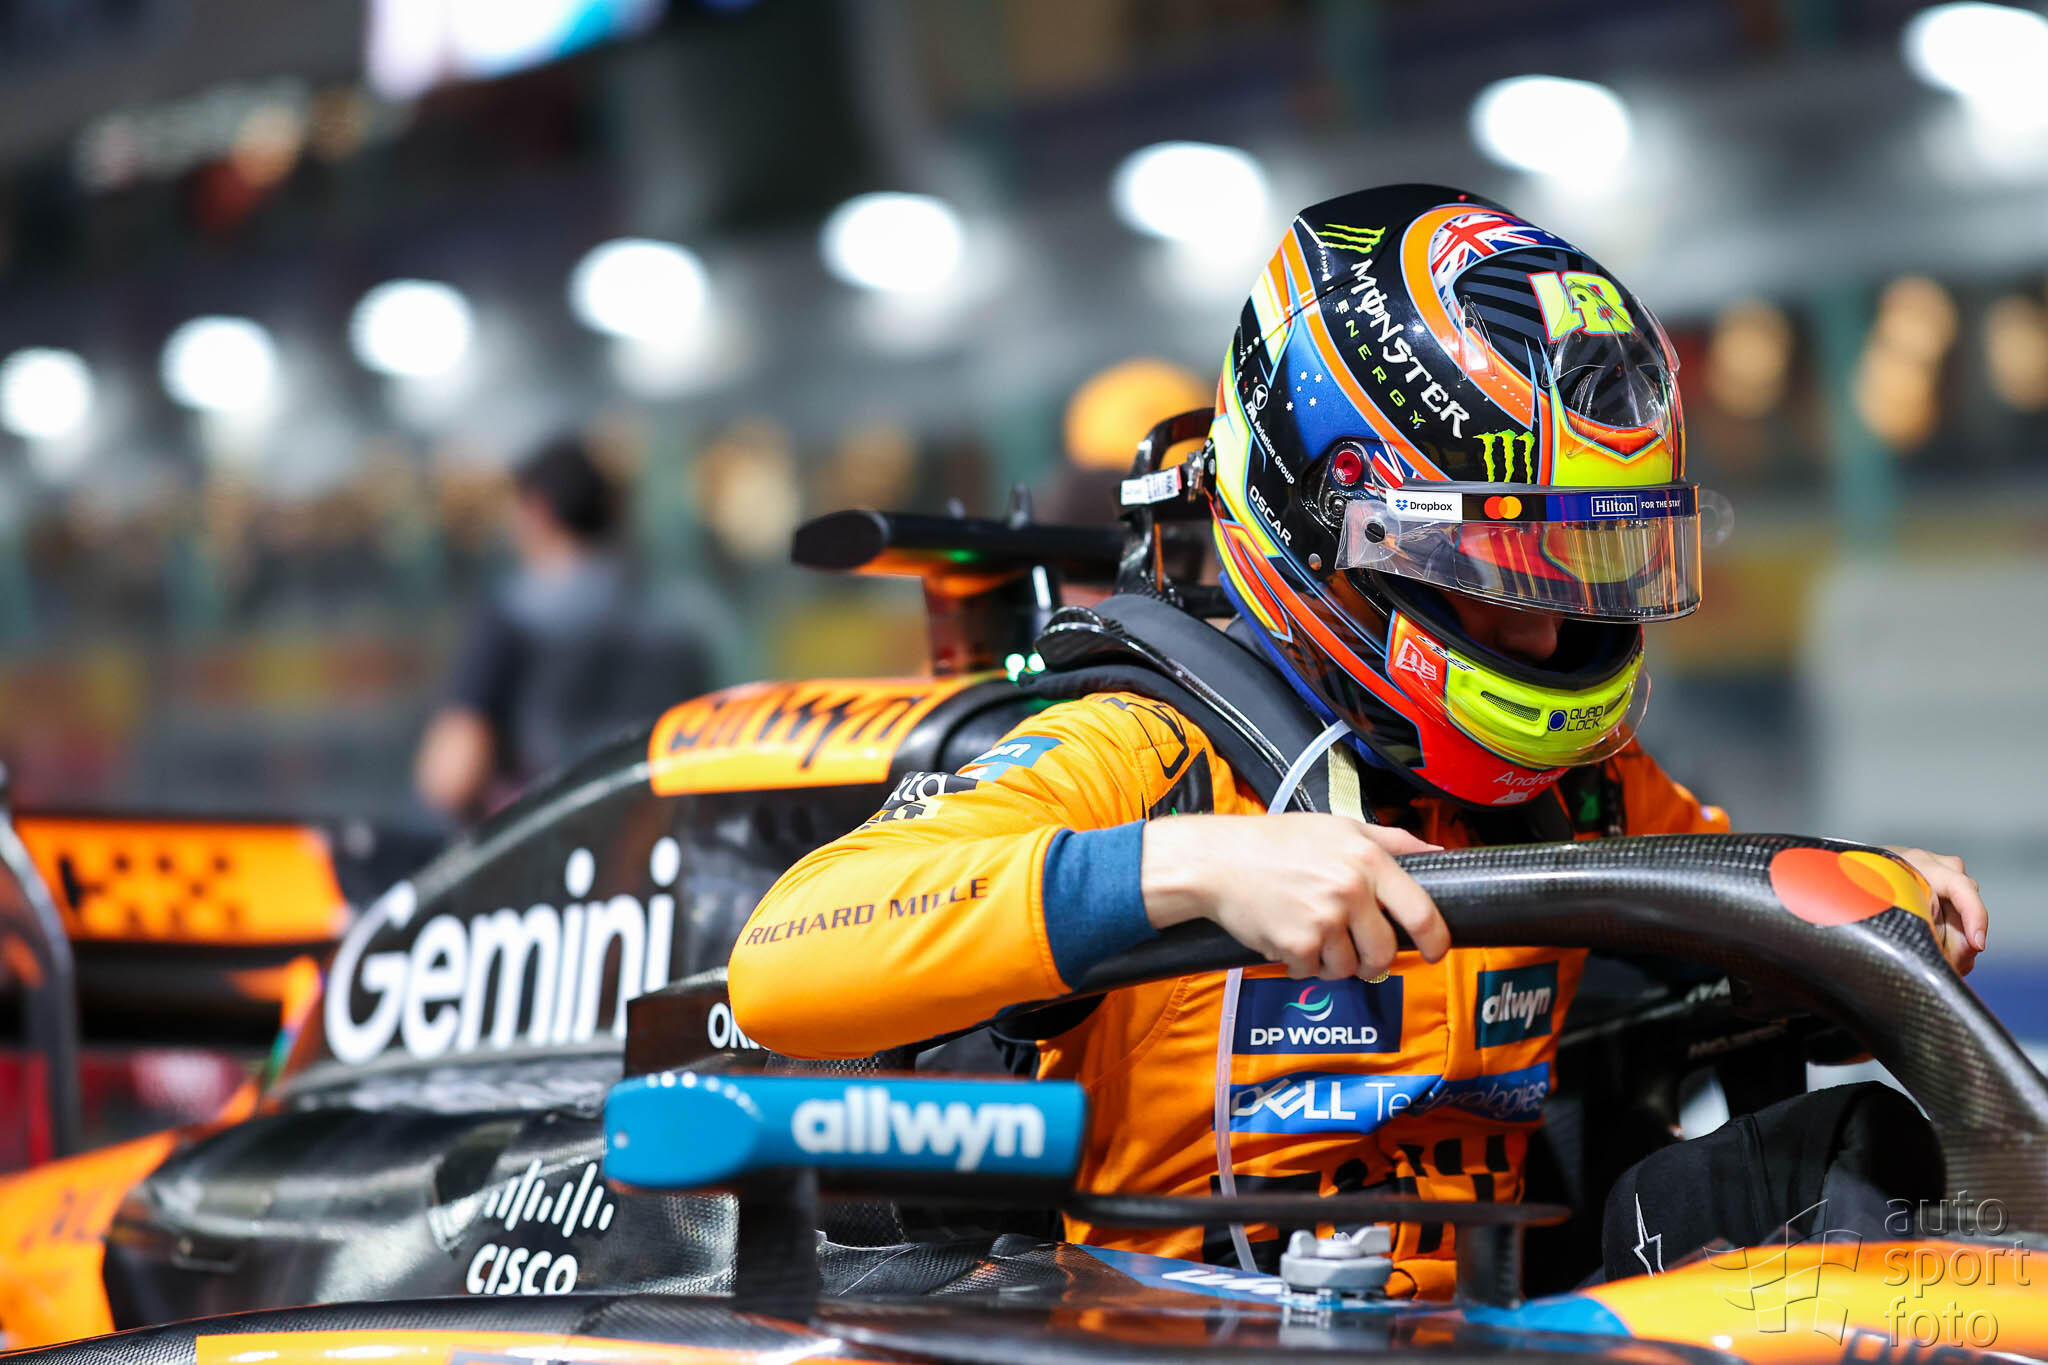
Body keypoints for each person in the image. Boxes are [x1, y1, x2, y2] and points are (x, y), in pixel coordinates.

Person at [726, 186, 1987, 1296]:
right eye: (1499, 565)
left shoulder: (1583, 787)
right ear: (1325, 532)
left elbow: (1756, 930)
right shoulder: (1148, 757)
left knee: (1867, 1179)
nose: (1549, 630)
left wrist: (1873, 905)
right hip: (1172, 1333)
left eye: (1582, 563)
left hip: (1500, 1322)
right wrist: (1195, 867)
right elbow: (780, 963)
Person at [414, 436, 709, 822]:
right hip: (655, 831)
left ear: (538, 511)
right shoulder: (677, 619)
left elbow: (452, 776)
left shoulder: (513, 616)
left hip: (546, 839)